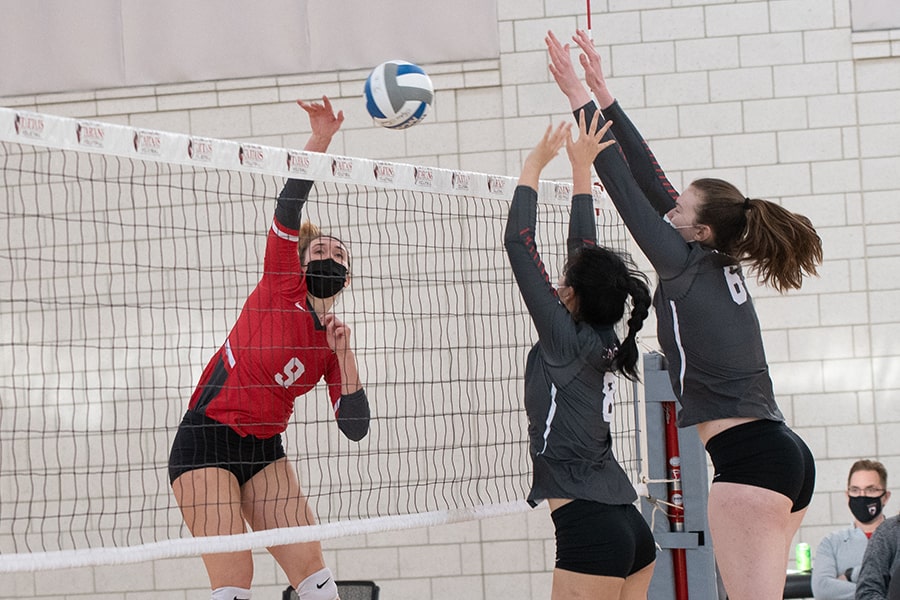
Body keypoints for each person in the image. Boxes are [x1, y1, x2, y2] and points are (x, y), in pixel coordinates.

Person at [545, 29, 822, 600]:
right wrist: (605, 94)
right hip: (783, 456)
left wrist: (576, 96)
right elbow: (651, 178)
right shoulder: (712, 256)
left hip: (750, 468)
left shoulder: (682, 263)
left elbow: (625, 190)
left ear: (698, 229)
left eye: (680, 209)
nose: (670, 208)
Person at [168, 96, 370, 600]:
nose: (329, 253)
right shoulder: (281, 281)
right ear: (301, 264)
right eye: (320, 249)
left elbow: (356, 428)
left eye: (338, 253)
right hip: (205, 441)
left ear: (346, 278)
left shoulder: (330, 345)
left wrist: (344, 352)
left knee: (316, 577)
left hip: (264, 450)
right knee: (236, 581)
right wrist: (321, 140)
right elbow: (288, 205)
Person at [504, 111, 656, 599]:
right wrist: (579, 171)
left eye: (567, 280)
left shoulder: (564, 339)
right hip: (631, 529)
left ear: (570, 294)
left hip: (590, 530)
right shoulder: (606, 330)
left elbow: (519, 244)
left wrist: (533, 164)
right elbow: (584, 250)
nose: (561, 279)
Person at [812, 460, 891, 599]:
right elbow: (822, 589)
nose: (862, 496)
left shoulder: (895, 536)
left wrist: (851, 575)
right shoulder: (831, 543)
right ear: (847, 495)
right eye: (855, 490)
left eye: (870, 490)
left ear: (885, 497)